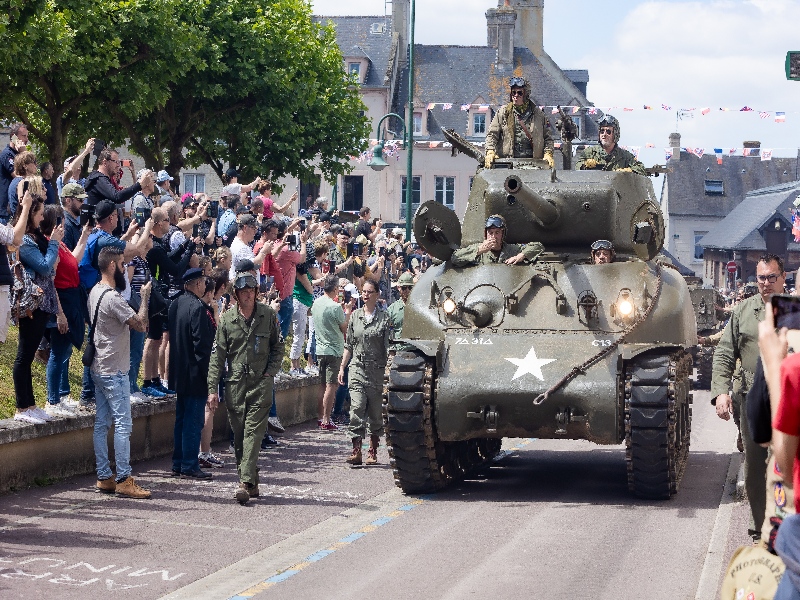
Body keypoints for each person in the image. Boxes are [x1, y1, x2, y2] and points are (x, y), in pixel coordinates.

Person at [711, 253, 783, 539]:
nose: (765, 283)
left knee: (785, 465)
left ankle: (784, 527)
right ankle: (759, 528)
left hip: (788, 398)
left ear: (782, 277)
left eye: (771, 277)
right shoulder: (743, 311)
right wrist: (721, 392)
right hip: (753, 400)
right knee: (755, 467)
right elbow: (725, 353)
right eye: (761, 277)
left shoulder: (795, 310)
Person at [207, 268, 284, 505]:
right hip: (236, 385)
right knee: (239, 436)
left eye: (251, 291)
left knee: (253, 432)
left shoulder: (268, 315)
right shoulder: (228, 320)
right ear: (236, 294)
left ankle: (243, 483)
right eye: (243, 291)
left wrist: (271, 371)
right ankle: (252, 483)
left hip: (260, 383)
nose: (248, 295)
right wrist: (212, 388)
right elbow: (217, 356)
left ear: (257, 292)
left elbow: (278, 347)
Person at [88, 246, 152, 498]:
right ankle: (124, 478)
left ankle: (104, 476)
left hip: (99, 367)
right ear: (112, 266)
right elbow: (140, 324)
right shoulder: (113, 298)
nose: (126, 269)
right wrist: (145, 297)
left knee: (101, 424)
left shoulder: (94, 291)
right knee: (123, 424)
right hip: (114, 369)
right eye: (123, 265)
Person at [13, 182, 63, 424]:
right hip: (31, 304)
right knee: (24, 355)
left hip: (43, 303)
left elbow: (50, 268)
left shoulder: (37, 239)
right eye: (40, 213)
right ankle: (22, 407)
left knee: (30, 353)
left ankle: (31, 404)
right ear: (30, 214)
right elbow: (44, 265)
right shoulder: (26, 241)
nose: (43, 217)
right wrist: (54, 243)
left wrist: (51, 245)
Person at [41, 205, 91, 416]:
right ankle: (53, 401)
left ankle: (61, 395)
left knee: (64, 351)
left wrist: (85, 235)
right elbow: (51, 282)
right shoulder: (48, 244)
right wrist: (59, 313)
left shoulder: (59, 244)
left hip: (71, 299)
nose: (63, 224)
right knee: (58, 351)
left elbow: (74, 260)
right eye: (60, 220)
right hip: (61, 300)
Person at [168, 268, 216, 479]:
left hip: (179, 371)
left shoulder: (176, 303)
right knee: (193, 420)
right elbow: (202, 345)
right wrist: (208, 375)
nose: (205, 286)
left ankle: (179, 462)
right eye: (203, 282)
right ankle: (188, 463)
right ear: (197, 284)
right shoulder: (198, 308)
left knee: (181, 418)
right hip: (195, 372)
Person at [338, 278, 390, 465]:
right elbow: (349, 345)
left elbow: (387, 347)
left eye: (369, 292)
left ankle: (373, 452)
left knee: (375, 414)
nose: (365, 295)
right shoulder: (355, 316)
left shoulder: (384, 318)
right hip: (357, 368)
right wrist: (343, 367)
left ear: (377, 295)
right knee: (357, 408)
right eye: (364, 292)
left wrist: (389, 372)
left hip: (377, 371)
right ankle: (357, 450)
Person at [484, 77, 554, 169]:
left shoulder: (539, 114)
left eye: (519, 93)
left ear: (526, 95)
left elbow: (548, 138)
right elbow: (492, 134)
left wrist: (548, 153)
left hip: (534, 163)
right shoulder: (503, 112)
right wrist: (490, 151)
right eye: (513, 92)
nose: (515, 95)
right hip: (509, 162)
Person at [312, 274, 353, 430]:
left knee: (322, 385)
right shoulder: (335, 306)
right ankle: (327, 420)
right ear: (335, 289)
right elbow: (344, 328)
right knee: (331, 386)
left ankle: (320, 417)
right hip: (334, 350)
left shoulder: (316, 303)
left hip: (320, 349)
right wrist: (347, 312)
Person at [450, 214, 544, 267]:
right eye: (490, 233)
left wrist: (521, 255)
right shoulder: (478, 249)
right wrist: (479, 251)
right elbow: (455, 258)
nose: (493, 236)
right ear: (486, 234)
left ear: (503, 234)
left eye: (497, 232)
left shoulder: (512, 249)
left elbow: (538, 246)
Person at [576, 115, 646, 175]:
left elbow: (641, 168)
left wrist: (628, 171)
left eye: (608, 131)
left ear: (615, 134)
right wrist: (585, 164)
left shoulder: (625, 156)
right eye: (602, 131)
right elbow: (577, 167)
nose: (604, 134)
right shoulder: (589, 153)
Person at [0, 123, 28, 224]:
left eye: (27, 136)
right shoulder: (7, 154)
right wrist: (24, 153)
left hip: (15, 208)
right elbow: (18, 176)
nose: (26, 139)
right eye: (23, 136)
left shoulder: (19, 155)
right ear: (14, 137)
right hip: (5, 211)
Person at [387, 271, 414, 352]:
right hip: (399, 351)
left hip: (418, 350)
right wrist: (391, 350)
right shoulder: (392, 309)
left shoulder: (419, 307)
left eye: (410, 287)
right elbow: (388, 332)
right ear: (399, 288)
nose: (407, 291)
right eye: (404, 288)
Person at [60, 182, 88, 252]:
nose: (83, 203)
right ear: (68, 200)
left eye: (83, 200)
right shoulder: (65, 225)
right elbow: (67, 258)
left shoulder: (72, 223)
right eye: (80, 200)